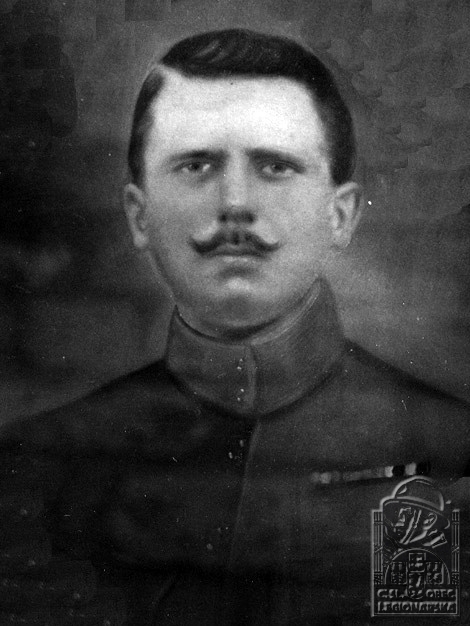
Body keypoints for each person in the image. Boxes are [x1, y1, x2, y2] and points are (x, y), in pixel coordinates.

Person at [1, 28, 470, 626]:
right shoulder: (32, 467)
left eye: (275, 166)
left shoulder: (451, 448)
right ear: (139, 216)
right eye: (196, 165)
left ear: (341, 214)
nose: (236, 203)